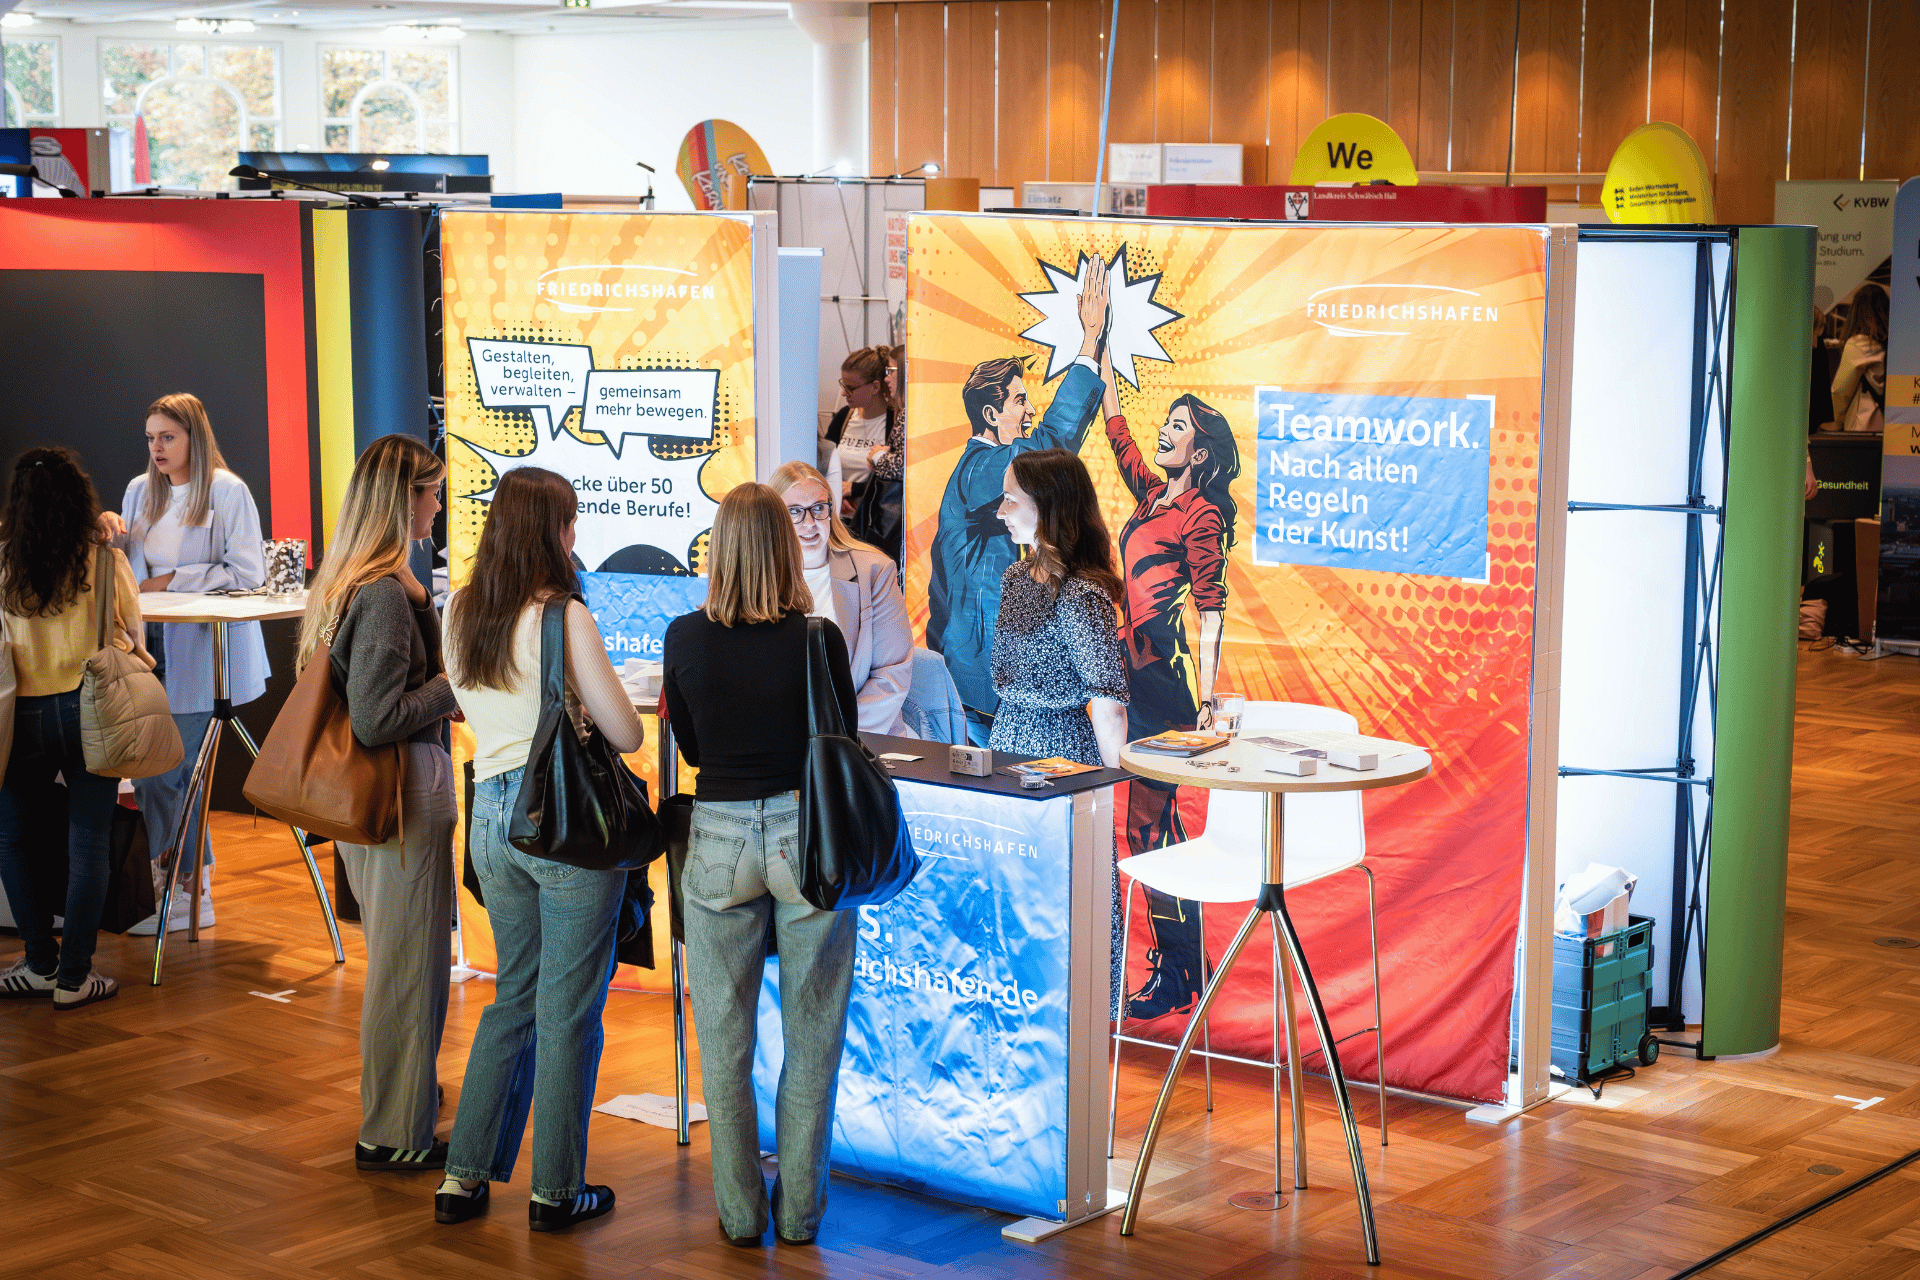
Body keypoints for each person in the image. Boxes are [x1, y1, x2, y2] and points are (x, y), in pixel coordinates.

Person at [435, 466, 645, 1232]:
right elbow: (628, 734)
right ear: (553, 532)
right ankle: (557, 1189)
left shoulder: (460, 612)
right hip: (560, 824)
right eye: (571, 522)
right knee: (569, 1011)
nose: (576, 536)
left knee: (511, 999)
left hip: (490, 819)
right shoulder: (565, 618)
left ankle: (463, 1178)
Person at [662, 483, 860, 1248]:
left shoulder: (683, 637)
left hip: (715, 837)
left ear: (719, 547)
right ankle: (801, 1215)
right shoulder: (817, 639)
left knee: (724, 1042)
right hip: (805, 838)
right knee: (812, 1037)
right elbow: (839, 741)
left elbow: (695, 750)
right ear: (786, 547)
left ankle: (741, 1217)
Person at [298, 434, 460, 1174]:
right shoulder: (387, 594)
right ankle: (396, 1134)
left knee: (401, 965)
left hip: (376, 801)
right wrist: (454, 682)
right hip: (399, 798)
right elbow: (376, 717)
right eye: (430, 491)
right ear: (403, 500)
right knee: (407, 971)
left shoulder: (357, 581)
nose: (439, 503)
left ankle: (398, 1119)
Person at [1100, 363, 1240, 1019]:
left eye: (1177, 426)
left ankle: (1178, 974)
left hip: (1163, 683)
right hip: (1131, 671)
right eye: (1167, 422)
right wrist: (1099, 355)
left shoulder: (1199, 512)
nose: (1164, 431)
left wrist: (1209, 696)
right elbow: (1117, 430)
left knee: (1146, 832)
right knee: (1164, 836)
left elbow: (1210, 607)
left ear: (1200, 451)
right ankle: (1188, 970)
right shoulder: (1152, 496)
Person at [928, 258, 1111, 745]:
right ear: (990, 414)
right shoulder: (980, 469)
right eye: (1018, 402)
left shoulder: (985, 472)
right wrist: (1089, 346)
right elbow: (1049, 445)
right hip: (983, 694)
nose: (1029, 410)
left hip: (984, 687)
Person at [108, 393, 270, 935]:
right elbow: (127, 575)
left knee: (169, 773)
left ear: (193, 438)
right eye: (150, 437)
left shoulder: (227, 491)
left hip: (207, 655)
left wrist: (173, 581)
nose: (156, 447)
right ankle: (186, 886)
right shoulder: (138, 491)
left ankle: (183, 889)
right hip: (150, 653)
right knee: (166, 775)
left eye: (167, 437)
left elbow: (248, 571)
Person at [0, 448, 147, 1010]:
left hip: (21, 715)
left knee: (13, 839)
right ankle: (74, 977)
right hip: (92, 708)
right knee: (87, 844)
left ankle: (38, 962)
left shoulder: (6, 562)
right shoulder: (104, 560)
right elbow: (132, 632)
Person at [987, 449, 1129, 768]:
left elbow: (1109, 709)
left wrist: (1107, 788)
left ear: (1046, 504)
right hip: (1004, 745)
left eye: (1010, 499)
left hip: (1060, 757)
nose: (1000, 512)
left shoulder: (1081, 594)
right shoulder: (1015, 577)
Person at [770, 459, 913, 735]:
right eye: (795, 512)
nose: (809, 523)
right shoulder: (759, 577)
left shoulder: (874, 570)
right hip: (780, 742)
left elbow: (892, 676)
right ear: (774, 516)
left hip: (862, 738)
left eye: (818, 509)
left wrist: (838, 738)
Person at [823, 347, 906, 561]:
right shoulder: (843, 417)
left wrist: (854, 489)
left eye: (850, 388)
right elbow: (823, 463)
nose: (843, 393)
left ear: (875, 387)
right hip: (838, 521)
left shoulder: (895, 421)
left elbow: (898, 476)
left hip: (874, 526)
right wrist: (835, 495)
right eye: (843, 386)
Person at [1831, 283, 1888, 433]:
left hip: (1864, 425)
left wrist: (1837, 421)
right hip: (1892, 424)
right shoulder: (1895, 343)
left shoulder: (1858, 344)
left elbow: (1840, 391)